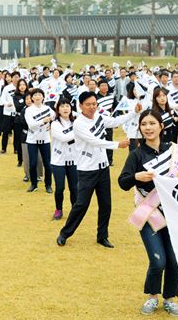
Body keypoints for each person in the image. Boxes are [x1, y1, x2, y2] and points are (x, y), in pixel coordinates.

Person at [118, 110, 178, 318]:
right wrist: (137, 176)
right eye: (144, 124)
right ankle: (153, 296)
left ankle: (170, 300)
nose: (148, 127)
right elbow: (123, 182)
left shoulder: (173, 151)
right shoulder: (137, 155)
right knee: (158, 261)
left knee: (173, 259)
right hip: (149, 215)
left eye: (152, 123)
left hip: (172, 215)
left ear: (161, 126)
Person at [56, 91, 141, 248]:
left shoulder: (99, 117)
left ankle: (102, 236)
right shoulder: (79, 123)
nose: (92, 107)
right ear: (80, 106)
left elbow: (115, 121)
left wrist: (133, 112)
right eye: (88, 104)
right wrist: (117, 145)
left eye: (94, 104)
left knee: (106, 204)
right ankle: (64, 233)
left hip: (103, 169)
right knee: (81, 204)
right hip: (87, 170)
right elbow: (94, 141)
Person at [50, 98, 77, 220]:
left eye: (67, 106)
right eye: (62, 106)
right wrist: (79, 132)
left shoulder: (76, 122)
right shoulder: (55, 124)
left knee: (74, 188)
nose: (65, 109)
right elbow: (64, 138)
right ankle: (58, 209)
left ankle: (75, 210)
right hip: (58, 161)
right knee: (60, 187)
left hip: (74, 160)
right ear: (58, 109)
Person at [24, 88, 55, 193]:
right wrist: (43, 121)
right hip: (32, 140)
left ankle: (48, 185)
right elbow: (31, 125)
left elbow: (55, 117)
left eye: (39, 95)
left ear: (43, 97)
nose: (37, 97)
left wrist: (51, 124)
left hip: (45, 140)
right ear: (32, 98)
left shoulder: (48, 108)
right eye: (35, 95)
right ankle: (34, 184)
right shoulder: (29, 110)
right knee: (33, 163)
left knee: (48, 164)